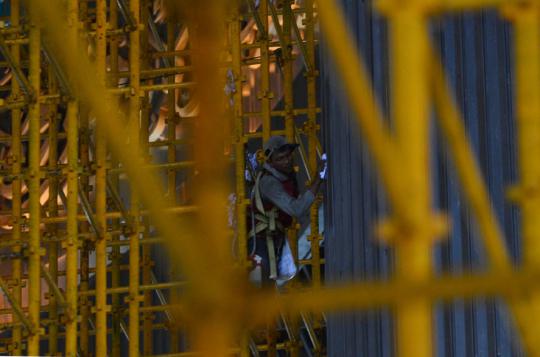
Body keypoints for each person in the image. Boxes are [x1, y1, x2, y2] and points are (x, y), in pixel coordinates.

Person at [248, 135, 325, 287]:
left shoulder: (283, 177)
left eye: (289, 156)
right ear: (270, 161)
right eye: (281, 158)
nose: (287, 160)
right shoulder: (269, 182)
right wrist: (318, 179)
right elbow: (296, 209)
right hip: (262, 247)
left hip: (272, 243)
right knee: (262, 296)